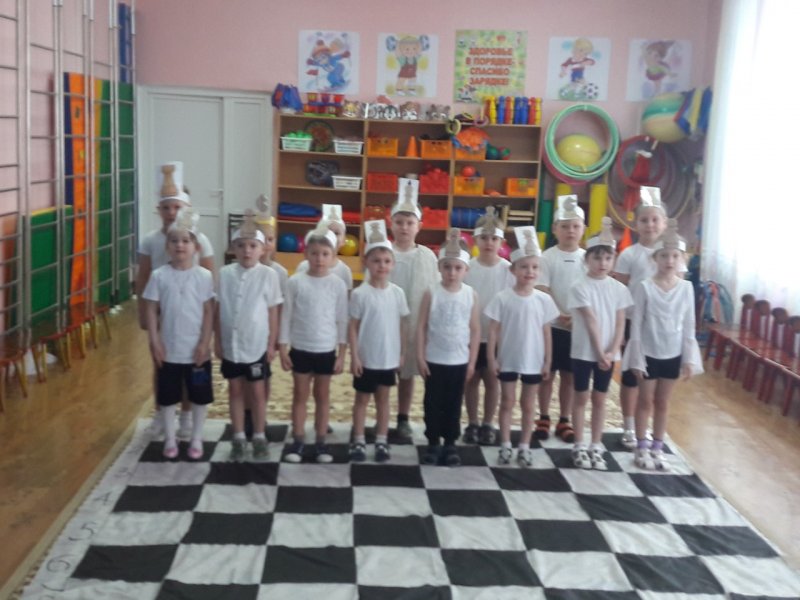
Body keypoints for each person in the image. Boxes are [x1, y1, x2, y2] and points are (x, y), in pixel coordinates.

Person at [136, 161, 216, 439]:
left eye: (177, 207)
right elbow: (143, 277)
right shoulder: (150, 240)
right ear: (159, 210)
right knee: (162, 363)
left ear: (186, 209)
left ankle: (186, 415)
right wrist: (143, 314)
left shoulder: (200, 240)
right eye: (167, 208)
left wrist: (209, 324)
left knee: (190, 364)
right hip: (161, 309)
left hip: (192, 312)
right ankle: (162, 412)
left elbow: (209, 280)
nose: (172, 213)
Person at [622, 219, 703, 471]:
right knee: (645, 400)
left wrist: (689, 358)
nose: (669, 261)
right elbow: (636, 324)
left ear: (682, 259)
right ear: (655, 258)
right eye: (664, 255)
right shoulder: (645, 287)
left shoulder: (686, 288)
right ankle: (641, 446)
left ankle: (658, 447)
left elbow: (689, 324)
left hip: (673, 353)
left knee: (663, 402)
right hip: (648, 352)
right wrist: (636, 357)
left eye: (675, 256)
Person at [486, 227, 559, 467]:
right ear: (513, 269)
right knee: (507, 401)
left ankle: (525, 446)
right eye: (524, 267)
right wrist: (491, 358)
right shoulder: (502, 298)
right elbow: (493, 330)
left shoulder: (544, 300)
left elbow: (547, 333)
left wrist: (548, 361)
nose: (530, 272)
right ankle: (506, 443)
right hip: (508, 359)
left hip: (533, 361)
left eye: (535, 267)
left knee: (528, 405)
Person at [214, 211, 283, 462]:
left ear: (262, 249)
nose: (247, 251)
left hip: (256, 345)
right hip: (231, 346)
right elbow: (218, 308)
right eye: (241, 245)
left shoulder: (269, 275)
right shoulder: (224, 274)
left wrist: (272, 342)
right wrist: (217, 340)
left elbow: (273, 310)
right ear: (233, 248)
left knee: (257, 392)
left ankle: (259, 435)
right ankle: (239, 436)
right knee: (235, 390)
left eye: (253, 246)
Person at [279, 223, 348, 463]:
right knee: (300, 395)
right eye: (315, 253)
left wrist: (342, 353)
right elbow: (286, 316)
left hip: (325, 349)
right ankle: (298, 440)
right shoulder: (295, 282)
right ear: (306, 254)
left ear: (333, 256)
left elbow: (342, 319)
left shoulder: (338, 285)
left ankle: (320, 442)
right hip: (300, 348)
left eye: (325, 254)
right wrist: (282, 347)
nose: (319, 259)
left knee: (322, 396)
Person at [568, 217, 632, 470]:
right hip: (585, 351)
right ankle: (579, 444)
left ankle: (596, 444)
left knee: (600, 398)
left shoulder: (619, 289)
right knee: (581, 397)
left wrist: (612, 351)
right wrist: (600, 352)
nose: (602, 263)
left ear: (613, 259)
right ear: (587, 259)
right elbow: (590, 320)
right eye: (597, 258)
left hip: (607, 353)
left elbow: (620, 322)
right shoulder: (579, 286)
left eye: (607, 258)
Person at [417, 229, 480, 467]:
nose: (452, 272)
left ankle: (450, 443)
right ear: (439, 267)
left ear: (466, 270)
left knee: (454, 404)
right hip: (434, 360)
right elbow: (421, 326)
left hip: (459, 361)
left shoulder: (471, 295)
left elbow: (475, 329)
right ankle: (433, 442)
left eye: (457, 268)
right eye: (447, 267)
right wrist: (420, 357)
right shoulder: (431, 292)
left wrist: (472, 362)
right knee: (433, 403)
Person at [348, 220, 410, 463]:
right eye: (376, 261)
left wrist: (402, 353)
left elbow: (403, 325)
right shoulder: (360, 294)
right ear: (366, 262)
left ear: (393, 264)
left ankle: (382, 440)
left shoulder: (397, 293)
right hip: (366, 358)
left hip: (388, 358)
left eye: (386, 261)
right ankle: (359, 439)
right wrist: (354, 356)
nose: (381, 265)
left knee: (383, 400)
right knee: (362, 400)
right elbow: (353, 327)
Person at [612, 186, 668, 450]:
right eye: (644, 220)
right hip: (633, 322)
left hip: (661, 326)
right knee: (631, 376)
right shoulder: (629, 254)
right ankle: (628, 426)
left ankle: (650, 428)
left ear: (664, 223)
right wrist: (619, 324)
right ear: (636, 224)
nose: (650, 225)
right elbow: (619, 290)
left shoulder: (671, 255)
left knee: (655, 378)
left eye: (655, 219)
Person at [390, 178, 439, 441]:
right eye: (399, 222)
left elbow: (434, 290)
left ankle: (403, 417)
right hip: (386, 323)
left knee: (408, 373)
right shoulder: (383, 252)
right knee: (380, 372)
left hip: (415, 323)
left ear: (419, 225)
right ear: (391, 224)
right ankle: (376, 417)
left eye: (410, 223)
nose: (404, 227)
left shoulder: (427, 256)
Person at [535, 195, 586, 444]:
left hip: (578, 327)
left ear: (583, 229)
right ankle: (543, 416)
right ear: (555, 228)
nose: (570, 231)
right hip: (552, 327)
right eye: (565, 226)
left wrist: (577, 316)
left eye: (575, 226)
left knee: (569, 376)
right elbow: (542, 288)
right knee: (547, 373)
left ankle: (564, 418)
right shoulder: (547, 257)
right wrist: (559, 314)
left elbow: (591, 290)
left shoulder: (588, 258)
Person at [463, 207, 513, 446]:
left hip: (498, 338)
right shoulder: (467, 268)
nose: (489, 242)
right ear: (475, 239)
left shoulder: (508, 270)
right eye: (484, 237)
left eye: (494, 238)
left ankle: (487, 423)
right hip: (471, 337)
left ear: (501, 241)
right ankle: (473, 422)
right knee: (471, 380)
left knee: (493, 382)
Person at [295, 204, 353, 293]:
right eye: (328, 231)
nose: (332, 236)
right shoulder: (304, 267)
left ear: (343, 240)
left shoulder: (344, 271)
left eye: (337, 233)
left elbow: (346, 299)